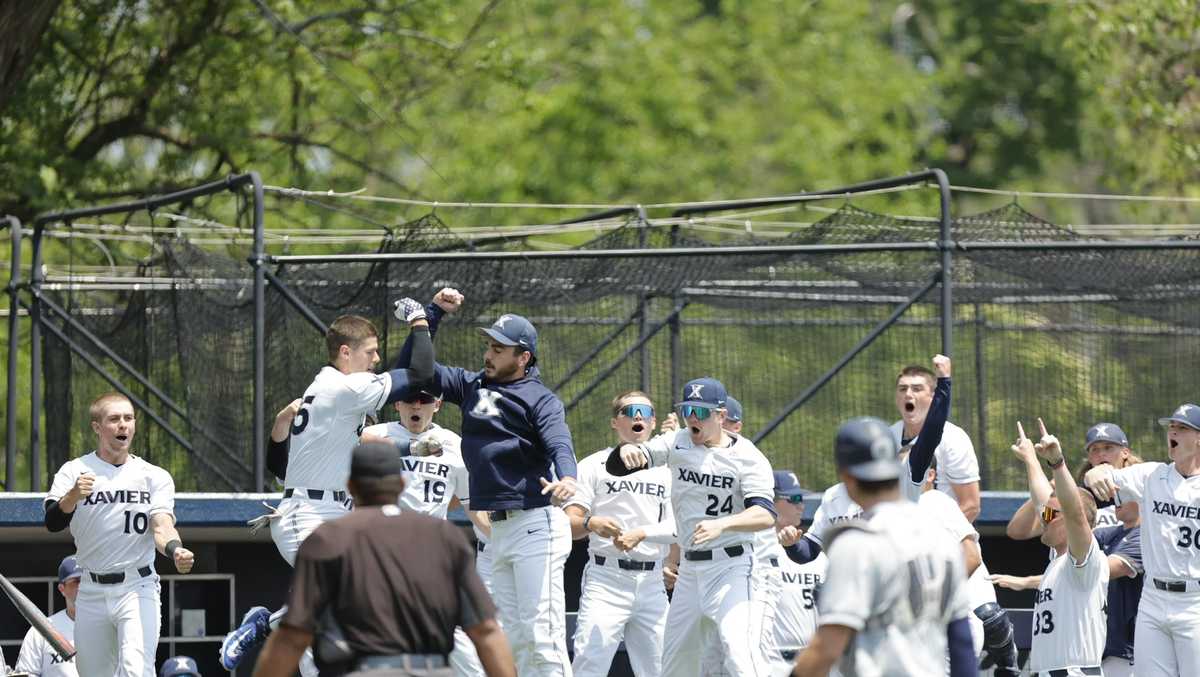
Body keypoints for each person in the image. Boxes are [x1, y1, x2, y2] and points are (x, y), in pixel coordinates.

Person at [221, 302, 435, 673]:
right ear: (345, 353)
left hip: (332, 511)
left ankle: (270, 625)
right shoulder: (346, 390)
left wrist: (411, 447)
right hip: (306, 514)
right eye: (370, 352)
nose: (376, 358)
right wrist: (420, 319)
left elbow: (358, 438)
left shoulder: (329, 388)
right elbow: (419, 372)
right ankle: (264, 625)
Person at [402, 289, 577, 676]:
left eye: (500, 348)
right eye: (490, 345)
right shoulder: (471, 385)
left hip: (535, 525)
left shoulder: (540, 399)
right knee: (505, 641)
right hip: (496, 534)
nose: (489, 353)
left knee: (542, 636)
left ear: (523, 357)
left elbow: (560, 442)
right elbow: (418, 371)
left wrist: (568, 476)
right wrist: (429, 317)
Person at [251, 441, 516, 677]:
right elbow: (486, 631)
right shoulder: (444, 536)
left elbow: (293, 638)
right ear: (401, 484)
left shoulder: (328, 539)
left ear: (350, 486)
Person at [608, 377, 776, 676]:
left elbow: (764, 515)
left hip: (732, 567)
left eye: (701, 412)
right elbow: (635, 457)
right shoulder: (678, 441)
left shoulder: (748, 457)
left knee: (740, 656)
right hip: (689, 574)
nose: (692, 419)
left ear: (721, 416)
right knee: (674, 666)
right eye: (688, 410)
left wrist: (722, 525)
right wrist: (626, 452)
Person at [791, 416, 974, 677]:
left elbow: (827, 647)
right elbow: (961, 643)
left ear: (847, 477)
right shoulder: (940, 538)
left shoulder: (858, 542)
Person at [43, 392, 195, 677]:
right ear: (97, 427)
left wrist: (176, 550)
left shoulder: (154, 475)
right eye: (114, 419)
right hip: (91, 588)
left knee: (136, 670)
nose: (123, 425)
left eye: (128, 418)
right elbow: (52, 522)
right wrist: (73, 495)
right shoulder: (75, 470)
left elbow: (161, 525)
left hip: (137, 586)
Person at [997, 424, 1144, 677]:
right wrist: (1031, 460)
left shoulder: (1085, 558)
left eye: (1052, 515)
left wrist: (1057, 462)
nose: (1044, 518)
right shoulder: (1059, 557)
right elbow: (1046, 502)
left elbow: (1074, 514)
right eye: (1094, 449)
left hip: (1083, 668)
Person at [361, 386, 490, 677]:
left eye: (425, 400)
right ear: (397, 404)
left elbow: (473, 507)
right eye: (409, 400)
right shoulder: (375, 436)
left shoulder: (454, 444)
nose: (416, 405)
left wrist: (502, 539)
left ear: (438, 404)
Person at [788, 355, 952, 565]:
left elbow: (931, 433)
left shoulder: (905, 481)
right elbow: (807, 552)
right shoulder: (835, 496)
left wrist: (944, 383)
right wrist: (790, 545)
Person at [563, 390, 674, 677]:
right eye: (629, 411)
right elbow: (569, 522)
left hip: (652, 582)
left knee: (663, 669)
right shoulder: (593, 465)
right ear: (615, 422)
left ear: (653, 422)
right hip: (606, 579)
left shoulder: (669, 470)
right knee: (589, 664)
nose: (638, 416)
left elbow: (679, 528)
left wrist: (649, 541)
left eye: (646, 412)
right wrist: (591, 523)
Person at [1086, 402, 1200, 677]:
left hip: (1194, 600)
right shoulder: (1153, 474)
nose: (1172, 431)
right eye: (1171, 427)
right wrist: (1097, 471)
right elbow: (1093, 483)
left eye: (1181, 428)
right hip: (1153, 598)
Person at [916, 467, 1019, 677]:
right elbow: (1019, 528)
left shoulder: (932, 500)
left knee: (989, 615)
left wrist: (1055, 466)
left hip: (1087, 661)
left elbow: (972, 557)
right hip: (1052, 659)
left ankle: (1008, 659)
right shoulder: (901, 513)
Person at [1007, 422, 1140, 540]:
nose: (1101, 454)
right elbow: (1021, 530)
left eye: (1108, 447)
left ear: (1125, 453)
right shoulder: (1078, 497)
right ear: (1089, 457)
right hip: (1083, 565)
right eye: (1095, 449)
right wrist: (1050, 491)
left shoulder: (1141, 487)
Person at [892, 362, 980, 520]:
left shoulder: (954, 439)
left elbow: (971, 506)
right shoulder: (887, 437)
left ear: (934, 397)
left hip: (946, 539)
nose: (908, 394)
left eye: (917, 389)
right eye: (903, 389)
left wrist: (931, 537)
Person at [769, 473, 828, 669]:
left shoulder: (815, 554)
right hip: (770, 661)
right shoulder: (755, 551)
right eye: (794, 499)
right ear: (770, 500)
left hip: (813, 662)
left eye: (801, 499)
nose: (801, 505)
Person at [14, 556, 82, 677]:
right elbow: (26, 674)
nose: (82, 586)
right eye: (76, 581)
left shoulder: (111, 625)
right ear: (62, 588)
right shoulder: (43, 629)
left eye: (87, 580)